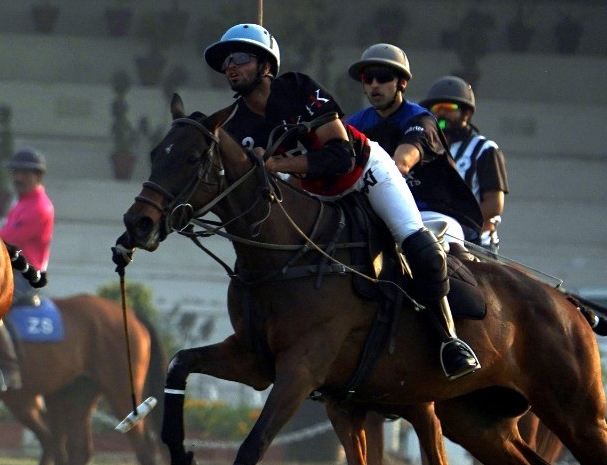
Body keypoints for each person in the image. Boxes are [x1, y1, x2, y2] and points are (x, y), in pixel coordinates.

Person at [186, 24, 478, 379]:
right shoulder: (234, 124)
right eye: (226, 62)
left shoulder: (297, 88)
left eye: (240, 58)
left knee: (418, 245)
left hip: (365, 173)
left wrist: (276, 164)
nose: (230, 67)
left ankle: (450, 341)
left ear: (265, 66)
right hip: (317, 190)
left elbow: (340, 157)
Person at [342, 45, 483, 244]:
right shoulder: (353, 125)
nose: (374, 85)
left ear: (402, 83)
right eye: (368, 78)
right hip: (376, 214)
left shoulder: (421, 120)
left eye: (383, 77)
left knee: (429, 255)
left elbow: (400, 166)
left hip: (430, 214)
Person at [0, 147, 54, 390]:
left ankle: (10, 369)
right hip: (10, 271)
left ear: (38, 176)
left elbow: (6, 240)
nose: (17, 178)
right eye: (16, 172)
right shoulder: (21, 204)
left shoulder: (39, 207)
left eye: (24, 173)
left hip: (25, 277)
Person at [423, 76, 508, 252]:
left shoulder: (485, 149)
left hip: (475, 244)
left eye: (448, 108)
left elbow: (494, 204)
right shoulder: (424, 148)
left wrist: (455, 226)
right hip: (434, 240)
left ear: (466, 113)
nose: (441, 114)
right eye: (436, 108)